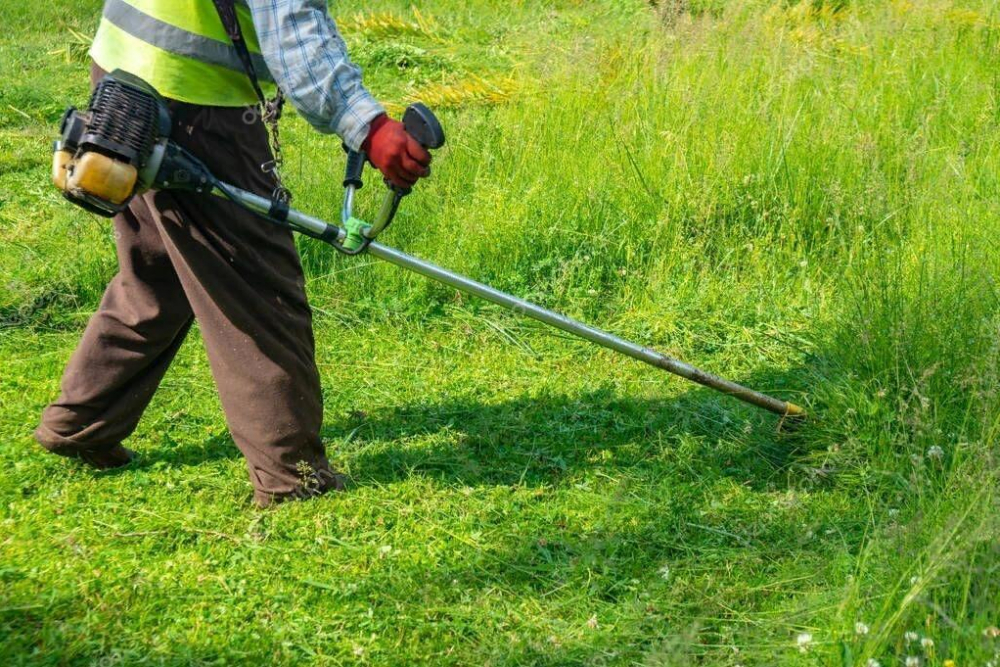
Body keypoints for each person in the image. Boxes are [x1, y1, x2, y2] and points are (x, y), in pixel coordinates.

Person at [34, 0, 430, 506]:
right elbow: (294, 30)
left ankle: (82, 422)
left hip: (121, 69)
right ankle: (292, 477)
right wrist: (370, 127)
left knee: (157, 274)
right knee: (257, 291)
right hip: (193, 101)